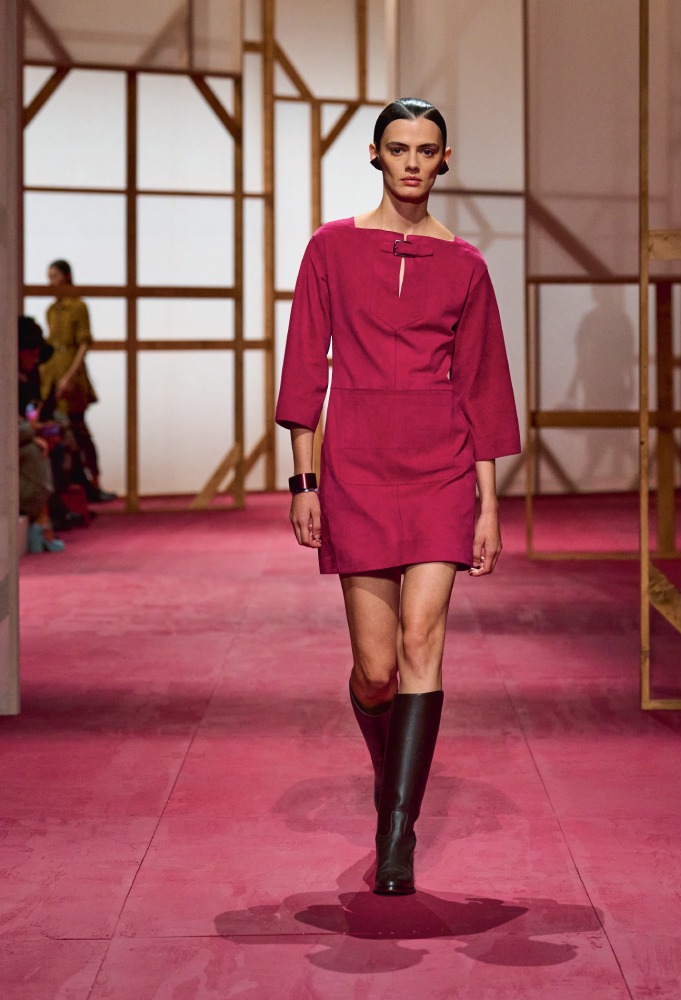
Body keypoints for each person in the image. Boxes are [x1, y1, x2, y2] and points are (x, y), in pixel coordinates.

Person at [276, 98, 520, 896]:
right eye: (399, 148)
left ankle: (396, 831)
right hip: (355, 468)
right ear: (375, 155)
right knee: (376, 670)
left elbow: (483, 386)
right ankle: (392, 778)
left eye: (426, 149)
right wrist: (304, 482)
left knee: (422, 642)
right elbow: (305, 366)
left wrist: (489, 505)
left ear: (445, 159)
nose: (412, 161)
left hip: (441, 469)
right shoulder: (330, 247)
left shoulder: (467, 265)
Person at [39, 259, 116, 502]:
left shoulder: (78, 306)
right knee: (59, 429)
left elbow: (84, 343)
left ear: (66, 276)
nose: (51, 281)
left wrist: (70, 375)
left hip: (71, 370)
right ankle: (73, 485)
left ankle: (94, 483)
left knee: (79, 429)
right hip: (52, 370)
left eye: (54, 276)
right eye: (49, 276)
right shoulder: (52, 309)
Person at [17, 317, 65, 553]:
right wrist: (33, 431)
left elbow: (29, 413)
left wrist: (41, 428)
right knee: (37, 451)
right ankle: (43, 518)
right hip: (16, 441)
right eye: (31, 352)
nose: (35, 358)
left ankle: (46, 516)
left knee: (55, 444)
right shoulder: (11, 379)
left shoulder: (30, 377)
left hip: (21, 435)